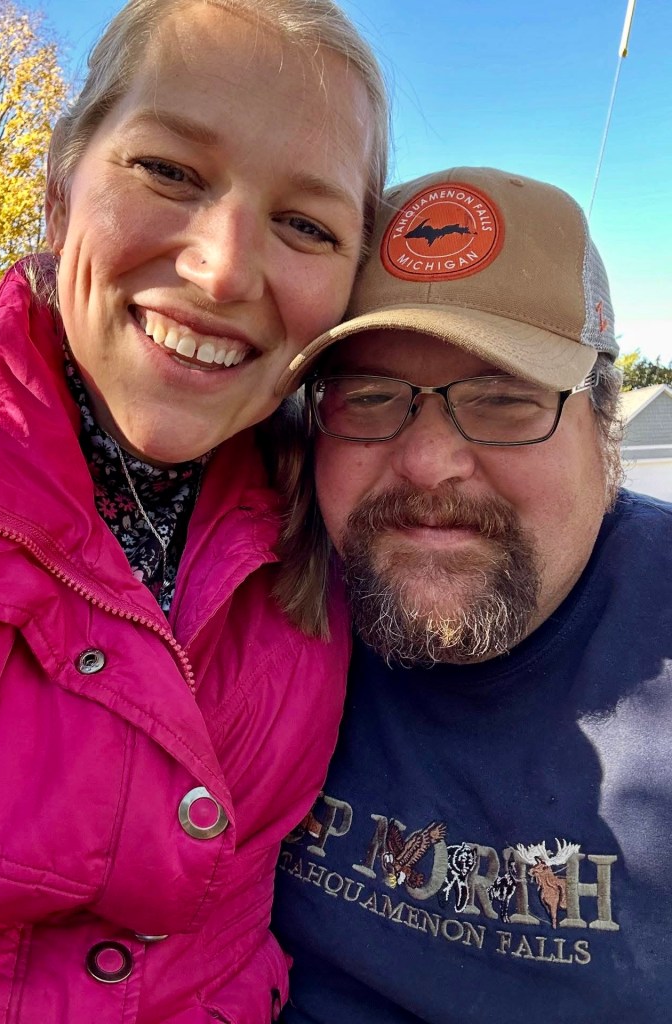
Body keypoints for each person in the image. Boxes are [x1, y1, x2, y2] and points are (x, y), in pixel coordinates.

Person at [0, 1, 389, 1021]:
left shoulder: (346, 506)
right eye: (169, 171)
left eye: (306, 225)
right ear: (59, 188)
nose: (223, 269)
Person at [271, 167, 672, 1022]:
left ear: (604, 427)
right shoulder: (246, 593)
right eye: (370, 397)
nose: (427, 463)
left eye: (502, 400)